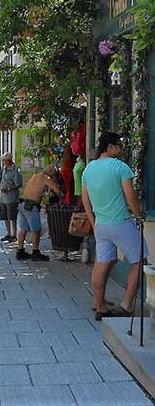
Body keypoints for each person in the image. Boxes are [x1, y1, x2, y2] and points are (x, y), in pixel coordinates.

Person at [82, 132, 148, 321]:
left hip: (101, 224)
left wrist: (94, 223)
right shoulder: (120, 167)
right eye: (119, 145)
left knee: (101, 263)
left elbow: (85, 200)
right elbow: (131, 196)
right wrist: (138, 215)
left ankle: (99, 304)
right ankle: (126, 305)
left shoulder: (89, 169)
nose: (121, 149)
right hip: (120, 222)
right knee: (139, 259)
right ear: (110, 147)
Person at [16, 164, 61, 261]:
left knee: (23, 228)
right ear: (51, 171)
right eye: (54, 174)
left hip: (22, 203)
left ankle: (20, 251)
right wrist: (62, 197)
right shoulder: (45, 178)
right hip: (31, 206)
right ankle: (35, 252)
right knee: (36, 230)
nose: (54, 176)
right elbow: (57, 190)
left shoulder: (35, 176)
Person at [0, 153, 22, 242]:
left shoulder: (15, 171)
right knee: (5, 216)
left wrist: (8, 188)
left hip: (11, 197)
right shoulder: (4, 169)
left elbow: (18, 184)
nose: (3, 162)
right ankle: (8, 233)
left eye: (4, 160)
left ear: (8, 160)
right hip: (3, 197)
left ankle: (14, 234)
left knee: (12, 216)